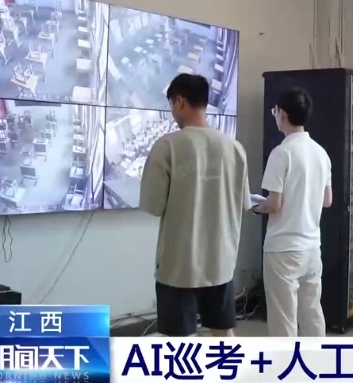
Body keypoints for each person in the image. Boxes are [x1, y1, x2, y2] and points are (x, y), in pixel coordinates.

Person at [139, 73, 251, 337]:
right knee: (223, 332)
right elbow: (244, 203)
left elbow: (154, 205)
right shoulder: (234, 148)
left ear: (180, 102)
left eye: (171, 105)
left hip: (179, 265)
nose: (172, 112)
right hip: (220, 261)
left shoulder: (167, 146)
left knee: (179, 341)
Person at [258, 87, 332, 337]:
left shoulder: (281, 153)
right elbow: (327, 200)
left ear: (283, 114)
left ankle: (286, 362)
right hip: (311, 248)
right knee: (312, 312)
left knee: (284, 319)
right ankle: (316, 359)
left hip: (283, 249)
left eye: (275, 111)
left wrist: (255, 206)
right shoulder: (320, 152)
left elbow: (274, 204)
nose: (274, 116)